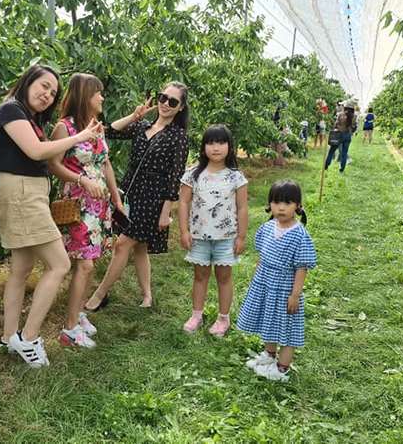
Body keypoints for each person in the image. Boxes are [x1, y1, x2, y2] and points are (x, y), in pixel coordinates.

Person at [0, 65, 102, 368]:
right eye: (44, 86)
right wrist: (80, 136)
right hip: (22, 194)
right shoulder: (11, 110)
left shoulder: (27, 116)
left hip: (27, 193)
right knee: (59, 264)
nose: (47, 95)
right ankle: (28, 338)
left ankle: (9, 337)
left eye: (53, 93)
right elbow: (37, 151)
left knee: (21, 269)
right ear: (28, 81)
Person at [84, 82, 190, 311]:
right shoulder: (142, 126)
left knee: (122, 245)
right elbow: (109, 131)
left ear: (181, 107)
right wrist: (133, 117)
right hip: (130, 194)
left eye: (173, 101)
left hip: (153, 199)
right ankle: (147, 296)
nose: (165, 104)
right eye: (163, 97)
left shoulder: (179, 137)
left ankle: (100, 295)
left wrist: (165, 212)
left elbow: (175, 176)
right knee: (139, 246)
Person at [48, 73, 121, 348]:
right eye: (97, 92)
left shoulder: (96, 127)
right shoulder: (64, 127)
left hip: (99, 205)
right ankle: (69, 329)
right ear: (85, 95)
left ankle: (78, 315)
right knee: (84, 264)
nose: (102, 97)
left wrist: (116, 198)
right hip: (78, 205)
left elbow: (105, 164)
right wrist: (82, 180)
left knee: (91, 264)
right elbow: (53, 164)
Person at [239, 180, 316, 382]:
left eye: (287, 203)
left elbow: (301, 268)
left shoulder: (300, 235)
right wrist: (257, 279)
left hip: (285, 289)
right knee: (268, 321)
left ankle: (282, 369)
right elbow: (262, 257)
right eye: (276, 202)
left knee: (287, 329)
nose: (281, 208)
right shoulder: (267, 228)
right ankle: (269, 355)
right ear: (269, 204)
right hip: (265, 284)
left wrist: (295, 295)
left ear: (298, 206)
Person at [178, 125, 248, 337]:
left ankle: (223, 318)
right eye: (210, 143)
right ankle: (196, 315)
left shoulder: (236, 177)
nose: (215, 147)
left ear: (230, 147)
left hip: (226, 238)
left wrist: (241, 237)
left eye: (221, 142)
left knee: (224, 277)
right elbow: (184, 202)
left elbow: (242, 208)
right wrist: (184, 231)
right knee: (200, 276)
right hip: (199, 236)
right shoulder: (193, 174)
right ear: (203, 147)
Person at [324, 101, 355, 173]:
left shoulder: (341, 114)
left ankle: (326, 165)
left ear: (345, 107)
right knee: (344, 153)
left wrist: (335, 128)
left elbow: (336, 124)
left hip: (339, 134)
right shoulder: (353, 116)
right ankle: (341, 169)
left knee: (332, 151)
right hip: (347, 135)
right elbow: (353, 127)